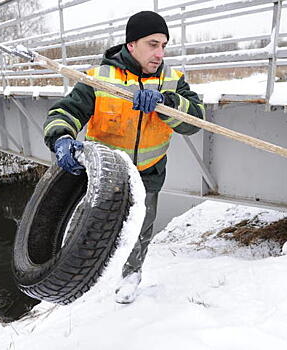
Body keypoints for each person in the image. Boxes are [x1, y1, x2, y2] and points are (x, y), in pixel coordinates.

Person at [43, 11, 205, 304]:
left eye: (164, 45)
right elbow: (65, 112)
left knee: (140, 230)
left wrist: (166, 103)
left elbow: (195, 122)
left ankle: (131, 277)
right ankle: (67, 276)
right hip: (105, 175)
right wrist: (62, 138)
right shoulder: (99, 78)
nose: (160, 53)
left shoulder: (172, 80)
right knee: (84, 224)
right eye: (152, 44)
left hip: (148, 173)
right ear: (131, 45)